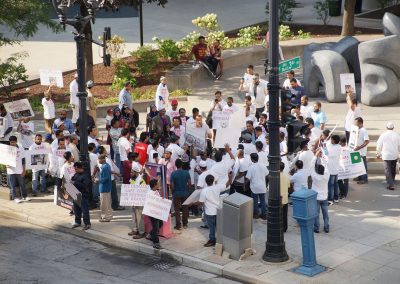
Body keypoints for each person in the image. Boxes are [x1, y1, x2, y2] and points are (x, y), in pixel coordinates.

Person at [199, 173, 232, 247]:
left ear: (206, 181)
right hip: (217, 210)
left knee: (212, 228)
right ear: (213, 180)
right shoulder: (217, 187)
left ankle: (212, 240)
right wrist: (230, 178)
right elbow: (226, 185)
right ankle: (221, 240)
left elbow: (201, 202)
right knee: (219, 226)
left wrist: (191, 203)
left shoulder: (204, 191)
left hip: (209, 212)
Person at [376, 121, 400, 190]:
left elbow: (379, 145)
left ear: (386, 127)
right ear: (393, 128)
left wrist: (378, 153)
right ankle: (392, 180)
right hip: (394, 154)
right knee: (392, 169)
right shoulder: (397, 135)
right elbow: (399, 145)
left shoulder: (383, 135)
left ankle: (390, 184)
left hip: (386, 155)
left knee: (387, 170)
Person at [311, 151, 330, 233]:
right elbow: (327, 166)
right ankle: (326, 227)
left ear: (317, 171)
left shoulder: (314, 176)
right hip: (324, 197)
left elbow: (311, 166)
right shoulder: (326, 176)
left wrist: (315, 156)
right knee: (325, 214)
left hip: (316, 198)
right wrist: (322, 157)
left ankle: (317, 228)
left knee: (316, 214)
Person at [170, 159, 192, 230]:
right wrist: (188, 190)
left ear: (175, 165)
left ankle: (178, 225)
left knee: (177, 210)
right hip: (185, 193)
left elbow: (172, 185)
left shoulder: (173, 174)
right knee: (185, 208)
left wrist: (172, 192)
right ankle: (185, 224)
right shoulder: (186, 173)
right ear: (182, 164)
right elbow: (189, 183)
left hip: (176, 193)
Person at [246, 153, 268, 219]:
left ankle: (256, 214)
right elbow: (267, 175)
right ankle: (264, 214)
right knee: (263, 201)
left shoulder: (251, 167)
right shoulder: (263, 165)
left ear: (252, 159)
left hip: (254, 187)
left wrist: (244, 184)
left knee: (255, 201)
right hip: (262, 186)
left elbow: (248, 178)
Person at [7, 136, 28, 203]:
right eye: (11, 142)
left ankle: (24, 196)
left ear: (16, 141)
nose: (12, 143)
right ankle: (15, 198)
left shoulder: (21, 148)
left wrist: (24, 169)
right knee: (12, 185)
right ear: (9, 142)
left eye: (14, 142)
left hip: (19, 169)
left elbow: (23, 159)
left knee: (22, 184)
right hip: (11, 170)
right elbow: (4, 158)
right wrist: (6, 164)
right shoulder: (7, 149)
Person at [71, 162, 91, 231]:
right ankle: (77, 222)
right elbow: (73, 178)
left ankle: (87, 224)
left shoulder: (86, 175)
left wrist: (75, 182)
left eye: (76, 169)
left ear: (80, 168)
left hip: (83, 195)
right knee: (76, 209)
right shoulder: (76, 174)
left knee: (84, 210)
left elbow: (84, 186)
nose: (75, 171)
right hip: (75, 193)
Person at [130, 163, 147, 239]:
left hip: (139, 202)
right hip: (133, 201)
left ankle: (142, 232)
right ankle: (135, 229)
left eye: (132, 172)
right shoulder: (132, 179)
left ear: (136, 172)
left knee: (140, 217)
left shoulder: (141, 181)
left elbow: (143, 192)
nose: (131, 173)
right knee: (134, 216)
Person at [147, 179, 164, 249]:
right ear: (154, 185)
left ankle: (150, 235)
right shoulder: (150, 194)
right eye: (158, 184)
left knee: (160, 224)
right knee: (156, 227)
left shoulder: (156, 191)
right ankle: (156, 243)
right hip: (152, 213)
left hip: (157, 212)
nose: (159, 185)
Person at [354, 117, 369, 184]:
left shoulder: (363, 130)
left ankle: (364, 178)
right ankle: (359, 177)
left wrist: (359, 147)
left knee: (362, 165)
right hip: (356, 151)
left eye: (356, 123)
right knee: (357, 165)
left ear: (360, 123)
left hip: (361, 152)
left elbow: (367, 141)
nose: (355, 124)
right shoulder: (357, 130)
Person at [98, 154, 113, 222]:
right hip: (107, 187)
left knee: (104, 204)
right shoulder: (107, 166)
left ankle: (105, 217)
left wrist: (98, 180)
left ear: (103, 159)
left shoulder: (104, 167)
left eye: (99, 159)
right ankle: (109, 215)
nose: (98, 161)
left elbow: (105, 178)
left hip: (104, 188)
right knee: (108, 203)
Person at [327, 135, 341, 205]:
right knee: (335, 184)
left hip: (332, 169)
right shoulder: (338, 146)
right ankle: (336, 198)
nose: (330, 141)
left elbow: (327, 154)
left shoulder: (334, 148)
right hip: (335, 168)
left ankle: (330, 199)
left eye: (331, 140)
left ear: (334, 141)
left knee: (331, 185)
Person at [280, 162, 290, 232]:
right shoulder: (287, 175)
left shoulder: (276, 176)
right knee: (284, 214)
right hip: (285, 197)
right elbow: (289, 186)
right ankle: (284, 228)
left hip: (278, 198)